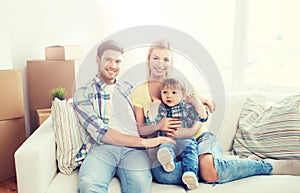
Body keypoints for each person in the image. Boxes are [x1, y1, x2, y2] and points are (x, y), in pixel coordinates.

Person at [130, 39, 300, 187]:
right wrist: (159, 125)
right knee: (163, 174)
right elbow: (141, 130)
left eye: (166, 59)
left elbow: (200, 112)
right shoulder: (139, 92)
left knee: (209, 172)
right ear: (148, 59)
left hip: (198, 137)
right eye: (156, 58)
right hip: (169, 145)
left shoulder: (180, 84)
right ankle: (214, 166)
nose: (161, 63)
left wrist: (189, 130)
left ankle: (267, 166)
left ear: (171, 63)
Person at [73, 40, 174, 193]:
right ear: (97, 60)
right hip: (102, 149)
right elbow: (103, 134)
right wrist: (145, 143)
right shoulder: (83, 94)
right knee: (89, 186)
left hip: (134, 151)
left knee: (140, 185)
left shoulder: (128, 87)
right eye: (108, 60)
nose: (113, 66)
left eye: (118, 61)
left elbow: (146, 118)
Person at [147, 77, 208, 190]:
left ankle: (190, 173)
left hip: (186, 139)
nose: (169, 95)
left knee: (190, 150)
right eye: (165, 92)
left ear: (183, 95)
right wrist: (155, 104)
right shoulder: (162, 109)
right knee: (165, 147)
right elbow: (151, 121)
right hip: (167, 139)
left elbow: (203, 117)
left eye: (174, 92)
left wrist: (197, 102)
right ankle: (168, 161)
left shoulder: (187, 107)